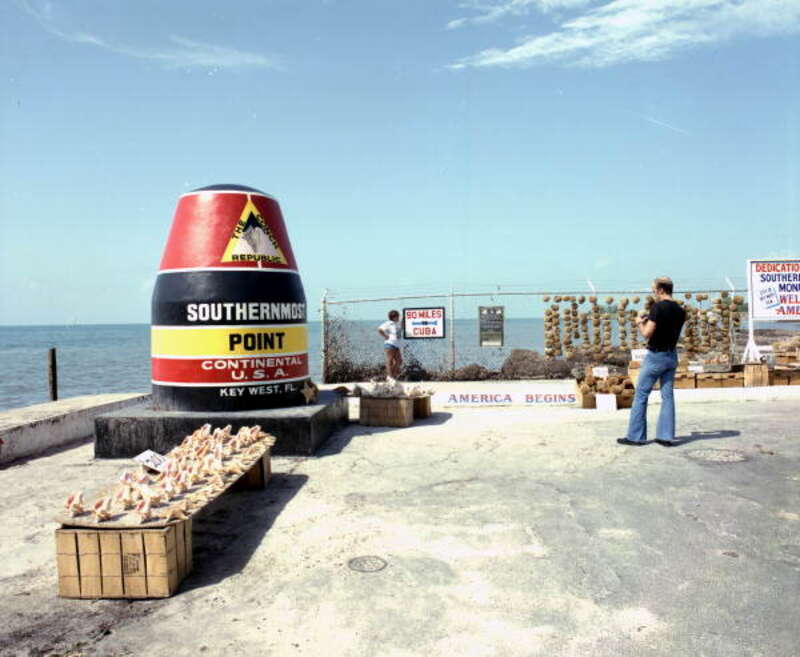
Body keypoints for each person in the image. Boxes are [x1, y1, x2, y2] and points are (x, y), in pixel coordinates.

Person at [618, 277, 686, 446]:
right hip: (672, 355)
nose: (653, 292)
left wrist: (639, 323)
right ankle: (665, 436)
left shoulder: (657, 307)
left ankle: (636, 437)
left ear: (661, 290)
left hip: (656, 356)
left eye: (654, 289)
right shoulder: (680, 310)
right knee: (667, 396)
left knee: (641, 394)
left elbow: (647, 333)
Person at [378, 310, 403, 379]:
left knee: (399, 361)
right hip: (390, 344)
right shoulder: (388, 323)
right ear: (394, 317)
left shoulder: (397, 323)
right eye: (397, 316)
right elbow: (380, 329)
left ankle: (393, 375)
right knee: (390, 360)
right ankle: (390, 376)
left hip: (397, 345)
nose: (398, 317)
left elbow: (402, 325)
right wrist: (385, 336)